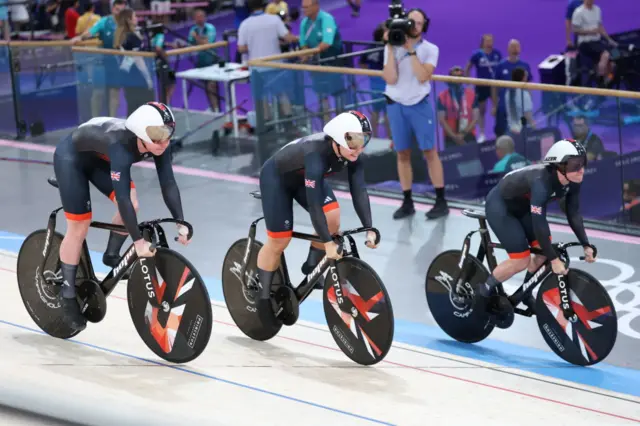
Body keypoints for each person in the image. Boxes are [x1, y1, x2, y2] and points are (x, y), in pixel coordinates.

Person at [52, 102, 191, 332]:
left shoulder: (158, 143)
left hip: (97, 156)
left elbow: (168, 183)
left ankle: (111, 254)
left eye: (168, 135)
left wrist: (180, 221)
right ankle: (66, 296)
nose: (164, 143)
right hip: (71, 159)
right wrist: (137, 242)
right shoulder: (121, 146)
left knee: (134, 205)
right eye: (157, 137)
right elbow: (122, 198)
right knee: (79, 225)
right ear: (139, 132)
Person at [255, 111, 378, 325]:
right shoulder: (316, 155)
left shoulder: (351, 152)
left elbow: (359, 190)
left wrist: (369, 227)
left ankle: (312, 264)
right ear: (339, 138)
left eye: (364, 140)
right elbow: (314, 206)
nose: (359, 148)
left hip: (305, 178)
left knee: (333, 216)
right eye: (355, 141)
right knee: (279, 240)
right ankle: (262, 298)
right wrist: (328, 243)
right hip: (277, 180)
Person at [480, 139, 595, 325]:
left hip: (524, 206)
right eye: (576, 165)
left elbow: (573, 213)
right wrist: (555, 260)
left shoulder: (572, 179)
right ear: (559, 166)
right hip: (501, 207)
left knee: (542, 254)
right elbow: (539, 223)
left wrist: (586, 244)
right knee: (521, 260)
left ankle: (524, 293)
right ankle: (483, 291)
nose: (581, 170)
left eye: (583, 163)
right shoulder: (541, 182)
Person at [382, 8, 449, 220]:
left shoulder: (430, 49)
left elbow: (422, 76)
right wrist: (392, 49)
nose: (413, 26)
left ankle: (441, 201)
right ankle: (407, 201)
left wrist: (411, 51)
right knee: (402, 153)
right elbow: (390, 78)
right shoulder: (392, 46)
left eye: (418, 23)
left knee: (429, 151)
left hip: (419, 105)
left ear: (424, 27)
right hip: (396, 104)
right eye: (411, 21)